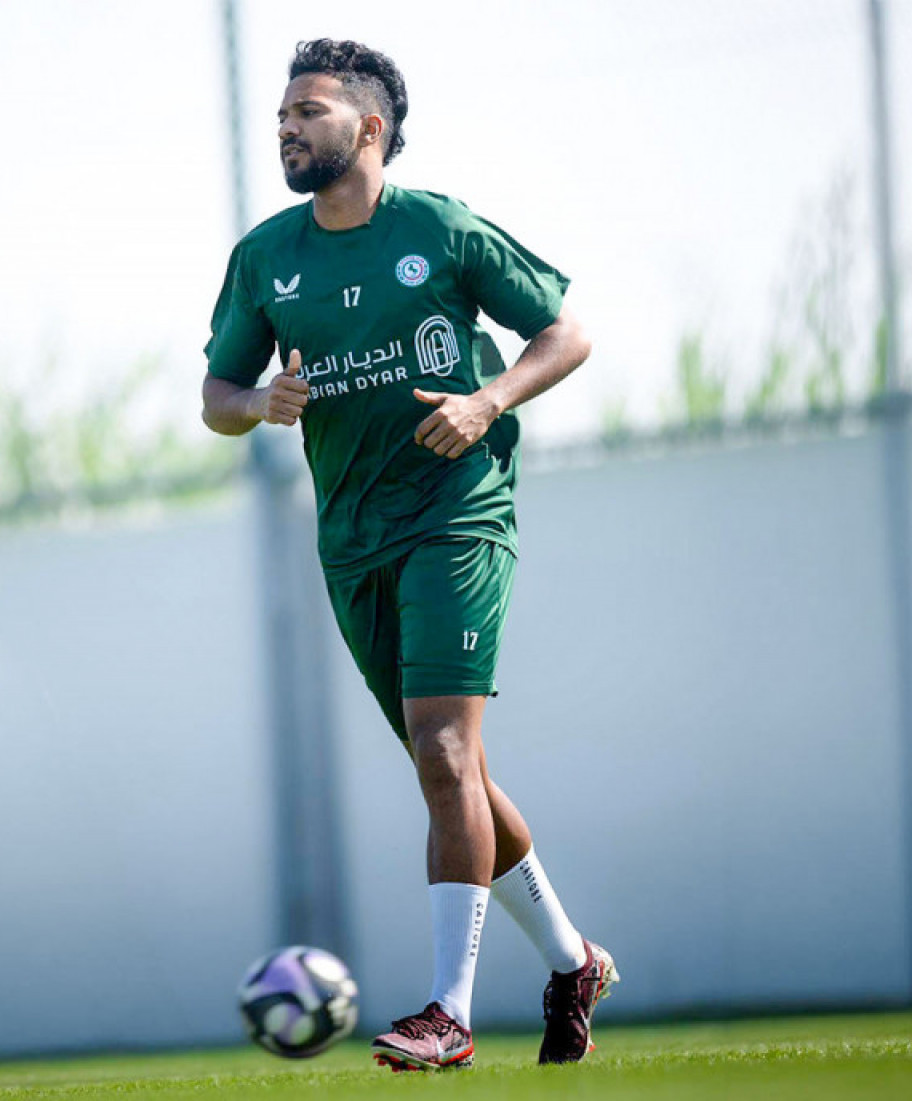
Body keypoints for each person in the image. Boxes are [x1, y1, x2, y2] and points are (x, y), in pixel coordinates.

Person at [200, 38, 613, 1072]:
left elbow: (565, 335)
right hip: (351, 538)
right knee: (452, 769)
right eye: (281, 115)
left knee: (443, 753)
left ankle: (449, 1014)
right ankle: (573, 963)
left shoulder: (439, 228)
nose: (287, 127)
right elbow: (216, 399)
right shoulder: (265, 257)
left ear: (370, 129)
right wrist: (260, 401)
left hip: (457, 515)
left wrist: (486, 401)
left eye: (309, 111)